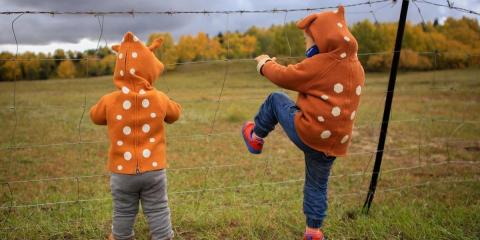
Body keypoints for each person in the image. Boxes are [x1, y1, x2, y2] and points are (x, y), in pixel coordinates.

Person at [241, 6, 365, 240]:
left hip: (310, 132)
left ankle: (255, 137)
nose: (306, 45)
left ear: (322, 40)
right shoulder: (355, 66)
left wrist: (265, 64)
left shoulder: (322, 63)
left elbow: (286, 76)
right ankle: (313, 231)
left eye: (308, 40)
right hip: (334, 142)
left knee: (276, 99)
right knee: (317, 184)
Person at [90, 32, 181, 240]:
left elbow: (94, 117)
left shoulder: (109, 100)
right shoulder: (159, 98)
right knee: (158, 208)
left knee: (123, 210)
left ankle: (120, 237)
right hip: (154, 169)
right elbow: (175, 114)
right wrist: (162, 101)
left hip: (122, 172)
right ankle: (163, 237)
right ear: (148, 69)